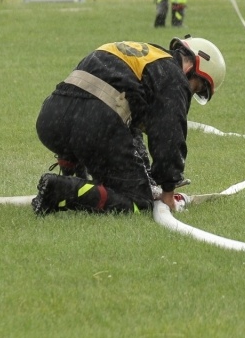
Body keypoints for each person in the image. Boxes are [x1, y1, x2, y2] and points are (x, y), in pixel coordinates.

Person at [32, 35, 226, 215]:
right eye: (197, 87)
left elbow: (130, 129)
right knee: (139, 200)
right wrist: (168, 192)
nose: (190, 92)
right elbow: (169, 135)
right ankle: (58, 190)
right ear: (194, 65)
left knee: (104, 132)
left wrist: (146, 177)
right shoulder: (174, 77)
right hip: (92, 126)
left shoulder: (146, 58)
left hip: (50, 120)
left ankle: (69, 169)